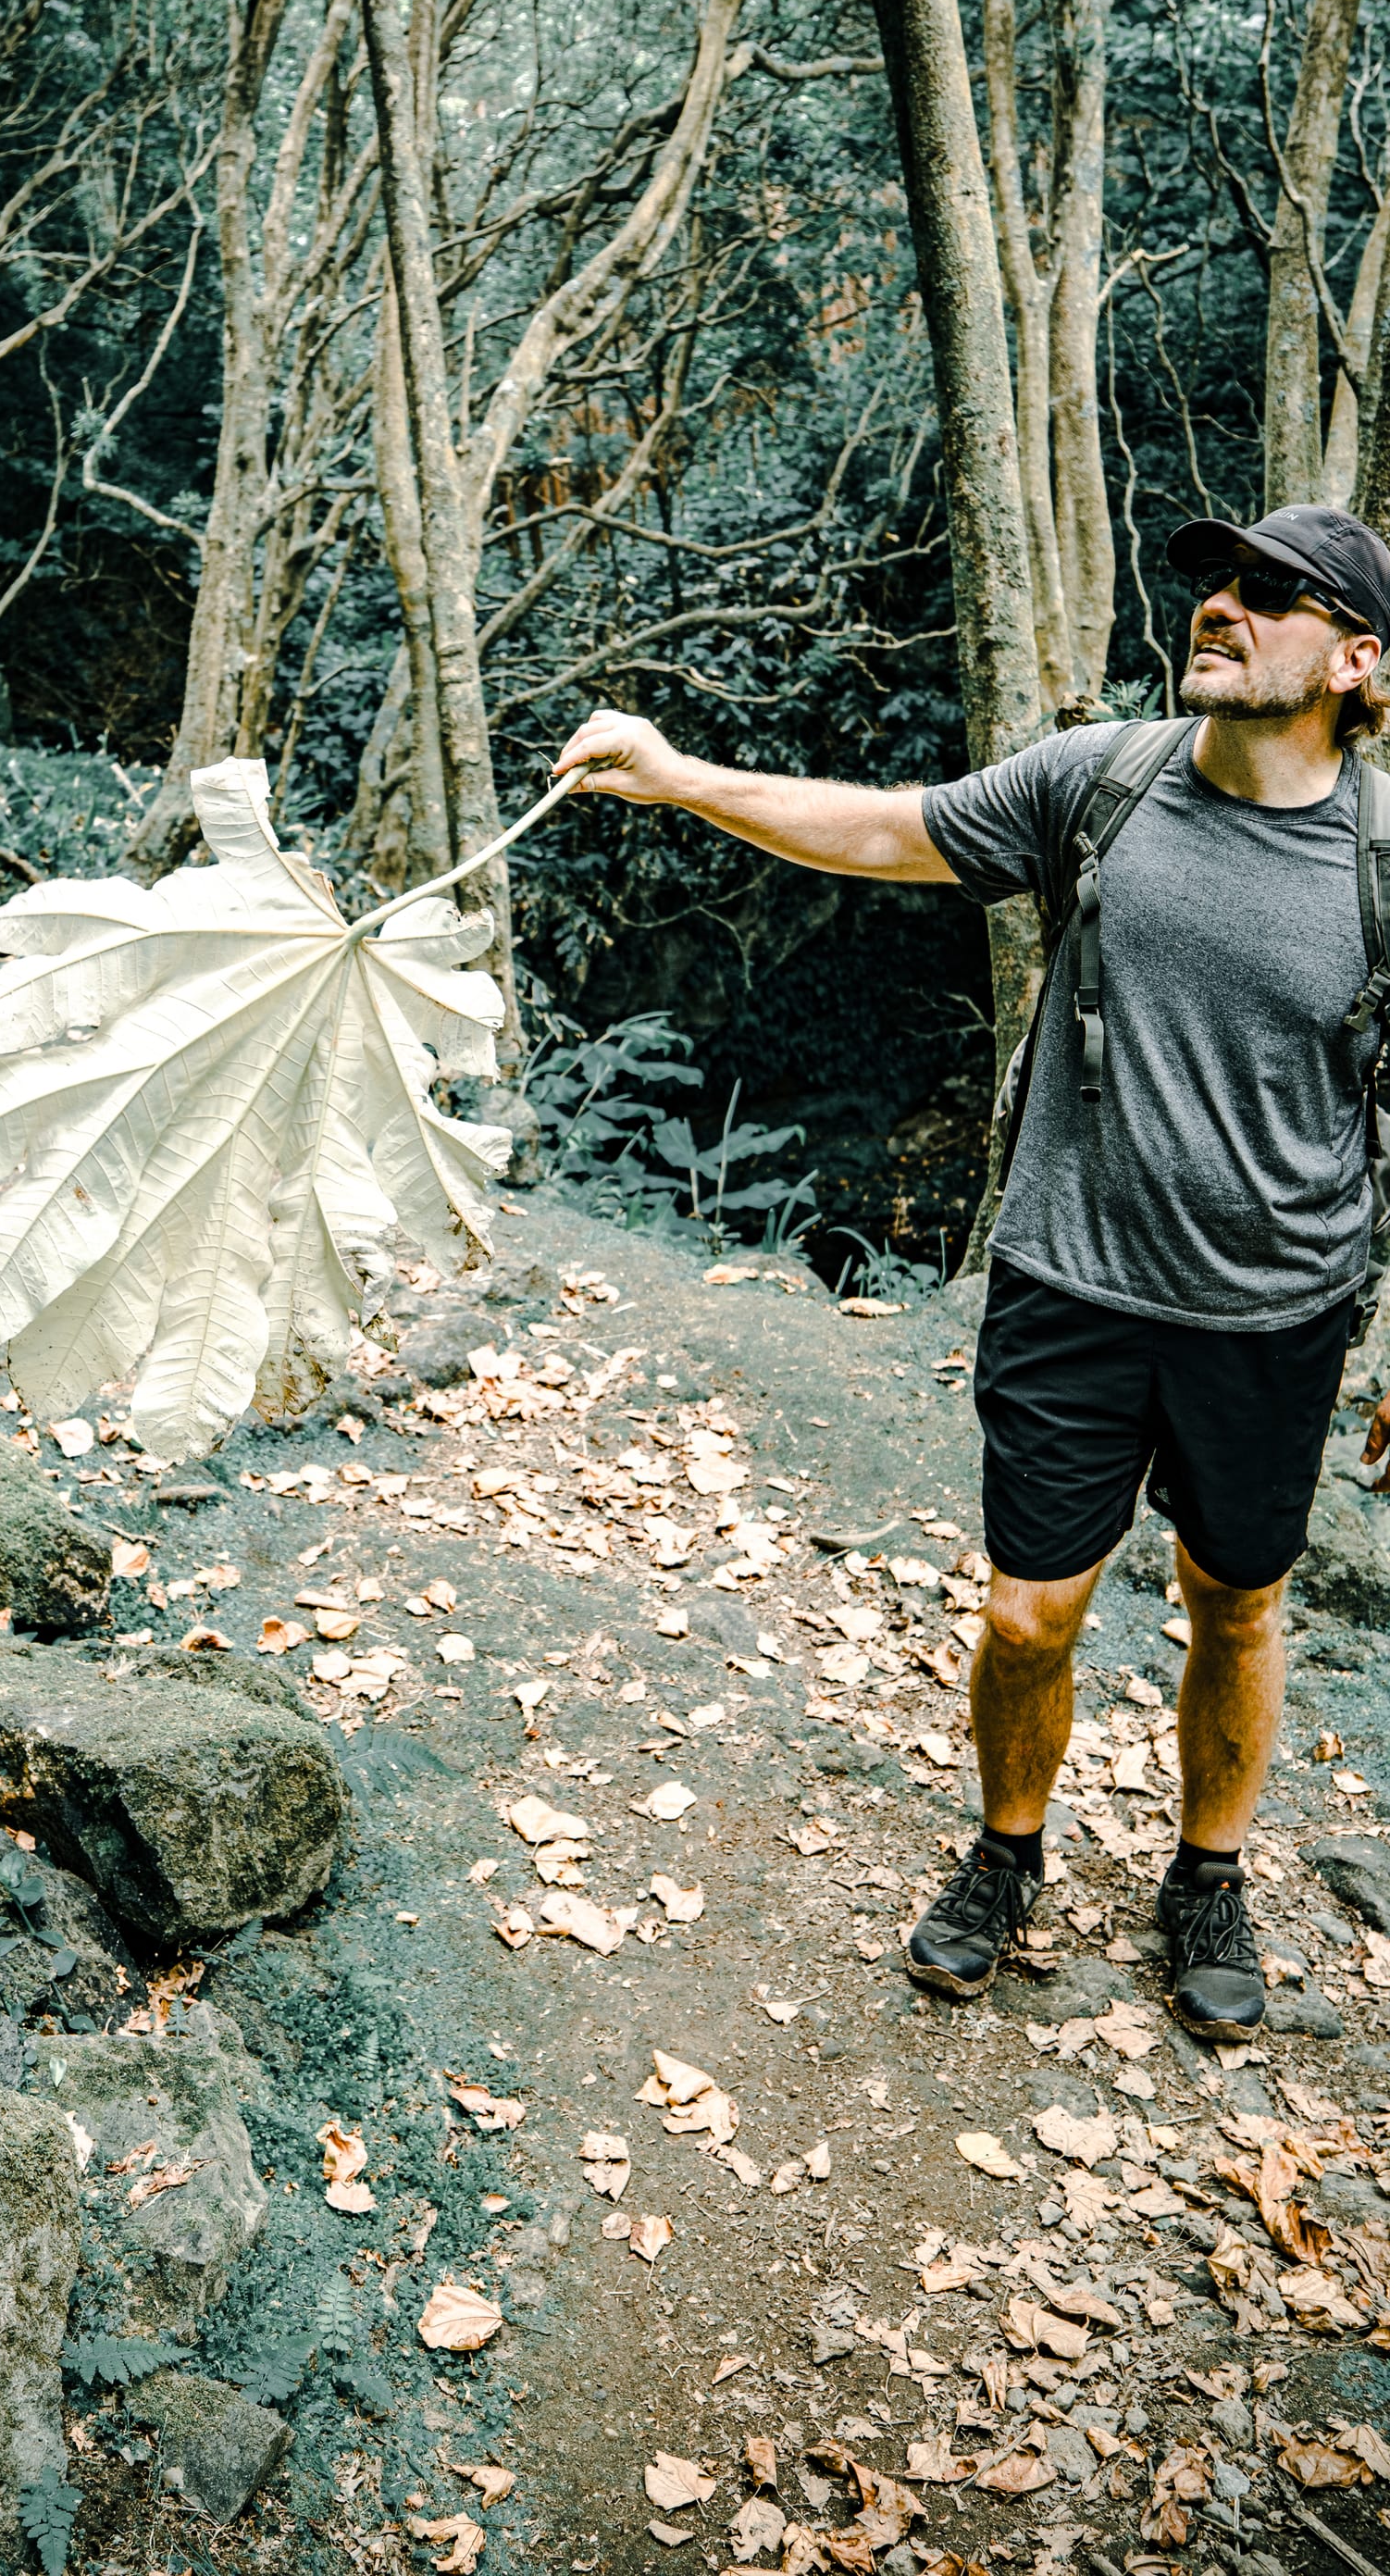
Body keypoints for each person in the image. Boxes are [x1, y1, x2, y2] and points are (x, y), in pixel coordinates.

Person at [552, 501, 1390, 2041]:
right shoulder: (1104, 784)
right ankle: (1010, 1852)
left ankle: (1208, 1876)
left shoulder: (1381, 858)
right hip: (1069, 1279)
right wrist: (677, 778)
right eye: (1216, 580)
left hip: (1276, 1309)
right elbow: (885, 826)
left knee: (1237, 1609)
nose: (1222, 605)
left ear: (1357, 659)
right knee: (1025, 1617)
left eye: (1272, 594)